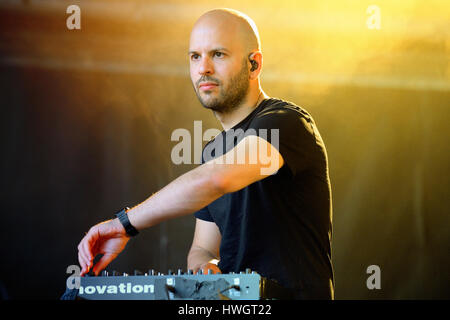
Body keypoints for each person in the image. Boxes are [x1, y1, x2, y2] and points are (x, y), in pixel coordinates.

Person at [76, 8, 334, 299]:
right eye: (195, 57)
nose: (203, 68)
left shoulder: (285, 122)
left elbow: (215, 180)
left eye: (218, 54)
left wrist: (123, 224)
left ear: (254, 64)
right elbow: (203, 249)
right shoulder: (213, 151)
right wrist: (205, 267)